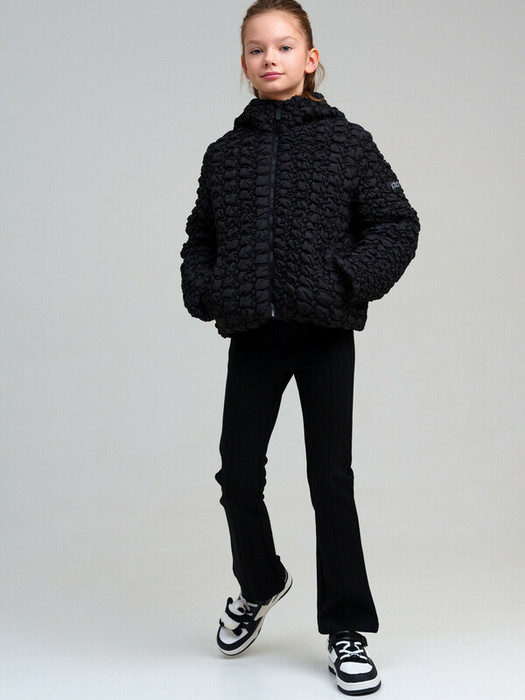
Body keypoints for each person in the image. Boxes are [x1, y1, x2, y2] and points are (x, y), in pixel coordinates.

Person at [179, 0, 420, 695]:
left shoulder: (348, 144)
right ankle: (260, 583)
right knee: (235, 477)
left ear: (310, 59)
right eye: (256, 49)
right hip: (254, 335)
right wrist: (206, 289)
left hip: (323, 334)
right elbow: (201, 237)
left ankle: (347, 628)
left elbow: (396, 223)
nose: (270, 58)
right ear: (243, 63)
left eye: (284, 46)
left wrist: (346, 282)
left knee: (330, 480)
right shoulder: (225, 155)